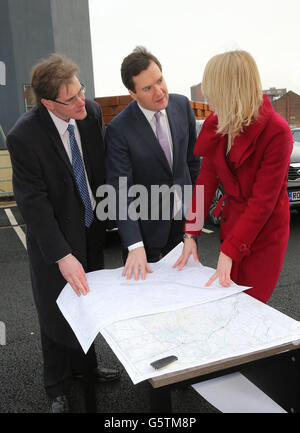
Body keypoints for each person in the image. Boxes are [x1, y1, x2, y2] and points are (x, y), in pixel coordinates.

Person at [6, 54, 119, 413]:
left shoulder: (90, 114)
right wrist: (61, 254)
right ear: (48, 103)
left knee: (88, 306)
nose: (81, 101)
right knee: (56, 313)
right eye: (70, 99)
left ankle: (86, 368)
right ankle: (56, 386)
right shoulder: (24, 136)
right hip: (53, 242)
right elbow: (32, 204)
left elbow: (99, 168)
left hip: (90, 229)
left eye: (80, 90)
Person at [174, 50, 293, 303]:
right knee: (228, 301)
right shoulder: (217, 124)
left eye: (213, 92)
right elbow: (205, 184)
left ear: (230, 91)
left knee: (251, 303)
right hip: (232, 224)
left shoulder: (277, 132)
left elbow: (263, 203)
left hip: (265, 232)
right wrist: (190, 233)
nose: (208, 99)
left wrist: (228, 252)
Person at [106, 46, 200, 279]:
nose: (159, 92)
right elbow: (120, 190)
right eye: (148, 88)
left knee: (185, 297)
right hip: (143, 231)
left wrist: (194, 226)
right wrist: (135, 245)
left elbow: (194, 166)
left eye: (160, 80)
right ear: (132, 92)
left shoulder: (182, 106)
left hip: (182, 225)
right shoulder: (119, 129)